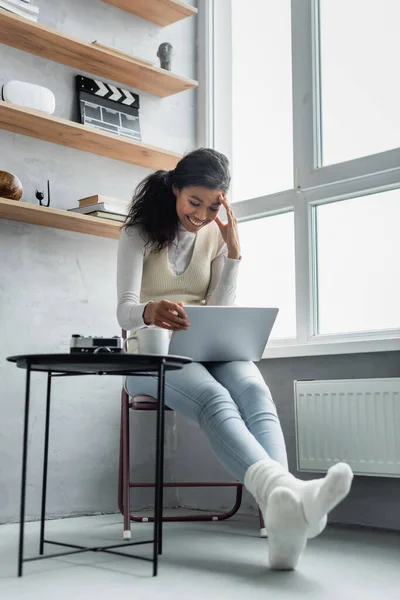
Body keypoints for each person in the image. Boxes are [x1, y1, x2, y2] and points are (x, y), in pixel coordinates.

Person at [116, 148, 353, 570]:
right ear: (175, 188)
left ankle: (283, 516)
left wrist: (233, 252)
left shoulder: (215, 236)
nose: (202, 215)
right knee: (213, 398)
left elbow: (220, 309)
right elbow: (124, 309)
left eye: (213, 206)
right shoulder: (138, 233)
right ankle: (288, 497)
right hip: (150, 354)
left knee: (253, 390)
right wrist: (149, 312)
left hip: (207, 346)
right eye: (194, 202)